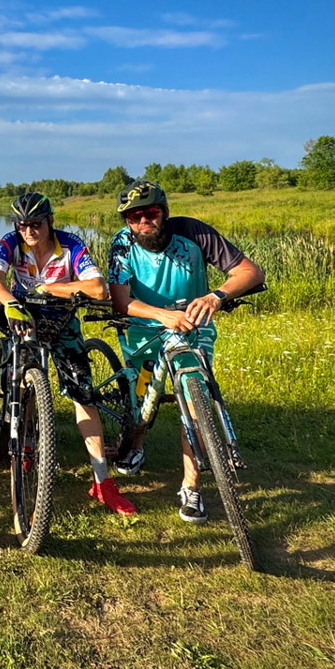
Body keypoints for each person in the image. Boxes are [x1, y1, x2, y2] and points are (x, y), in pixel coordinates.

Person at [107, 178, 264, 524]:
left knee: (195, 401)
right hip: (145, 329)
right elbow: (120, 299)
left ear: (164, 211)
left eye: (150, 212)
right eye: (134, 217)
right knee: (143, 396)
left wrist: (215, 296)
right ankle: (135, 443)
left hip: (195, 326)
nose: (143, 221)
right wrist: (163, 315)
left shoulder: (193, 232)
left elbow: (250, 271)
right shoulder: (122, 244)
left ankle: (191, 486)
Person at [0, 192, 137, 515]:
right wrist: (11, 302)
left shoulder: (71, 244)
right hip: (25, 321)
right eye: (22, 224)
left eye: (35, 223)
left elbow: (96, 288)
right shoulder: (11, 242)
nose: (28, 231)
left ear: (50, 220)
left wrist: (52, 289)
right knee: (23, 387)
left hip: (64, 324)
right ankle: (24, 446)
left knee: (84, 398)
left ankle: (102, 482)